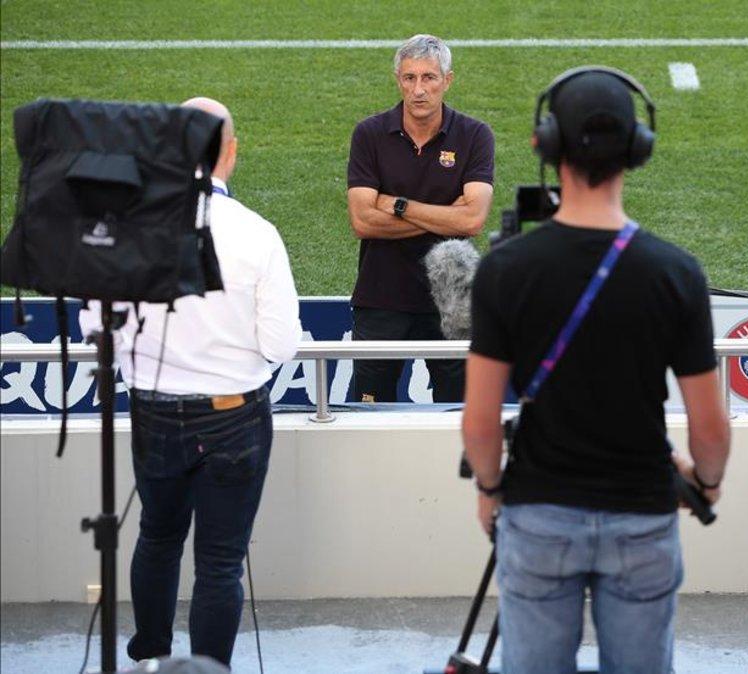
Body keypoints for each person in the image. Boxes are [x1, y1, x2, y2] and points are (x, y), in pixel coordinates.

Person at [461, 67, 730, 673]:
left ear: (546, 145)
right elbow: (710, 428)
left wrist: (489, 487)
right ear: (638, 150)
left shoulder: (506, 270)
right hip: (643, 517)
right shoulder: (676, 272)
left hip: (537, 518)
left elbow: (480, 422)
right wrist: (705, 481)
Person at [80, 97, 302, 667]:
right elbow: (279, 344)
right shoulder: (256, 233)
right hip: (235, 415)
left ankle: (149, 656)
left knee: (157, 538)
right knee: (221, 561)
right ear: (230, 153)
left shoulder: (126, 227)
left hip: (153, 414)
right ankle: (210, 667)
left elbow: (93, 325)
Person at [346, 33, 495, 404]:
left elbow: (473, 220)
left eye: (429, 77)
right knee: (367, 413)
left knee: (457, 413)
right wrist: (447, 215)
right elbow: (362, 221)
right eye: (409, 78)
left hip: (452, 298)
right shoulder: (369, 134)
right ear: (398, 79)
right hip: (382, 297)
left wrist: (396, 205)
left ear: (448, 80)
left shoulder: (475, 135)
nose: (419, 90)